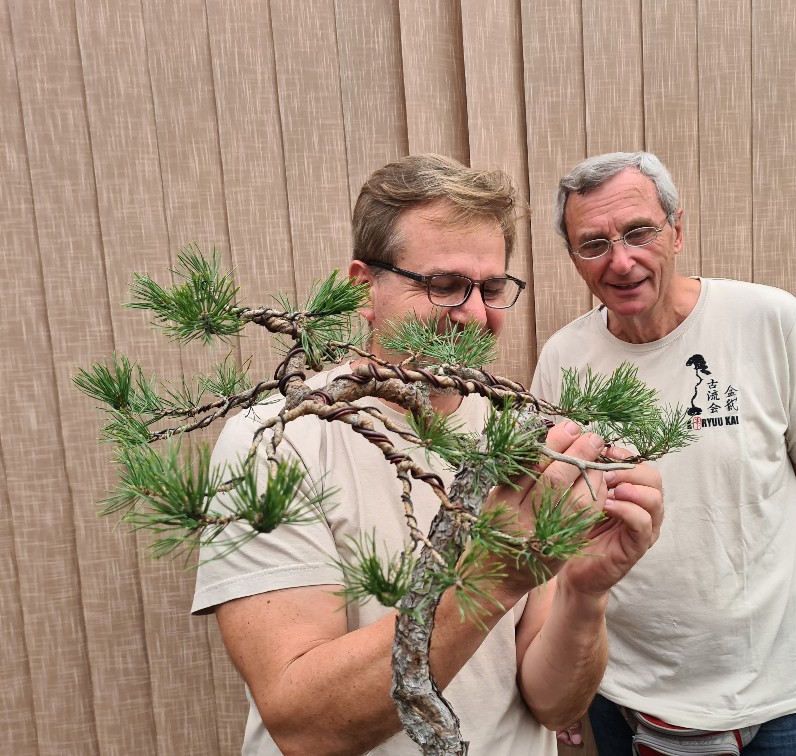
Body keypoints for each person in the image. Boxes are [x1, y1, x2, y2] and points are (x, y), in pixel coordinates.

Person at [191, 153, 664, 756]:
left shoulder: (519, 434)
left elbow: (555, 705)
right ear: (362, 288)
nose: (475, 314)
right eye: (444, 285)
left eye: (491, 288)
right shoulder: (277, 440)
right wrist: (494, 572)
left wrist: (585, 593)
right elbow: (304, 724)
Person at [531, 152, 796, 756]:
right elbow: (551, 522)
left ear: (677, 229)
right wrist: (560, 667)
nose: (621, 260)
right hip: (625, 692)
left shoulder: (768, 320)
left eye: (639, 232)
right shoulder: (563, 360)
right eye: (593, 244)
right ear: (573, 258)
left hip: (781, 695)